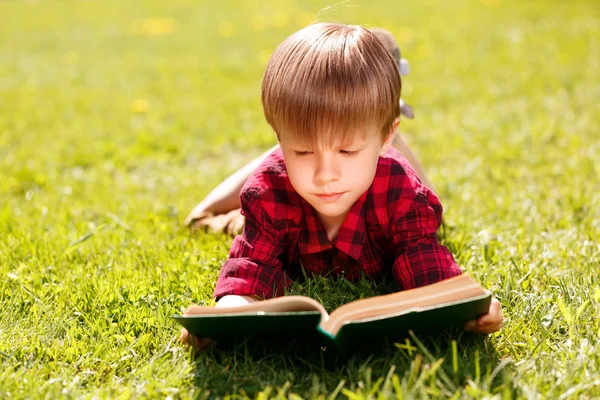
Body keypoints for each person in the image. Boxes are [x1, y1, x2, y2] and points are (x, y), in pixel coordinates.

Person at [181, 23, 502, 349]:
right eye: (304, 151)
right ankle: (243, 201)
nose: (325, 174)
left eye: (347, 151)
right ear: (280, 141)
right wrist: (224, 317)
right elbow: (250, 271)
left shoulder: (400, 190)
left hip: (384, 165)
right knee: (238, 212)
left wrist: (465, 302)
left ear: (386, 138)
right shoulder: (268, 193)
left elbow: (424, 258)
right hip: (278, 196)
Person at [184, 27, 433, 235]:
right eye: (304, 150)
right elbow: (201, 216)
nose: (326, 173)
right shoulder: (286, 161)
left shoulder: (385, 158)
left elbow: (431, 212)